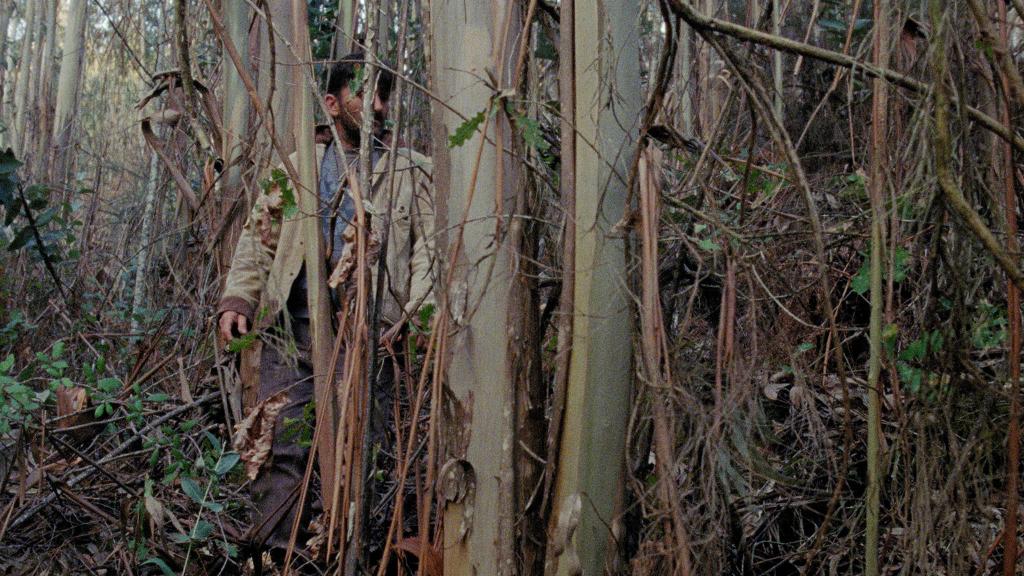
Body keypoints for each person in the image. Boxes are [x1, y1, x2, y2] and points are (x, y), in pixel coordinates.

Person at [216, 51, 435, 563]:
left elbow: (429, 248)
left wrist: (416, 314)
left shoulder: (411, 171)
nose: (378, 106)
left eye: (384, 96)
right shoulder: (298, 166)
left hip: (370, 335)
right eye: (365, 94)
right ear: (332, 104)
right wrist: (238, 297)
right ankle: (278, 557)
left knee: (364, 449)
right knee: (281, 444)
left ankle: (353, 554)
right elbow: (259, 236)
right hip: (291, 331)